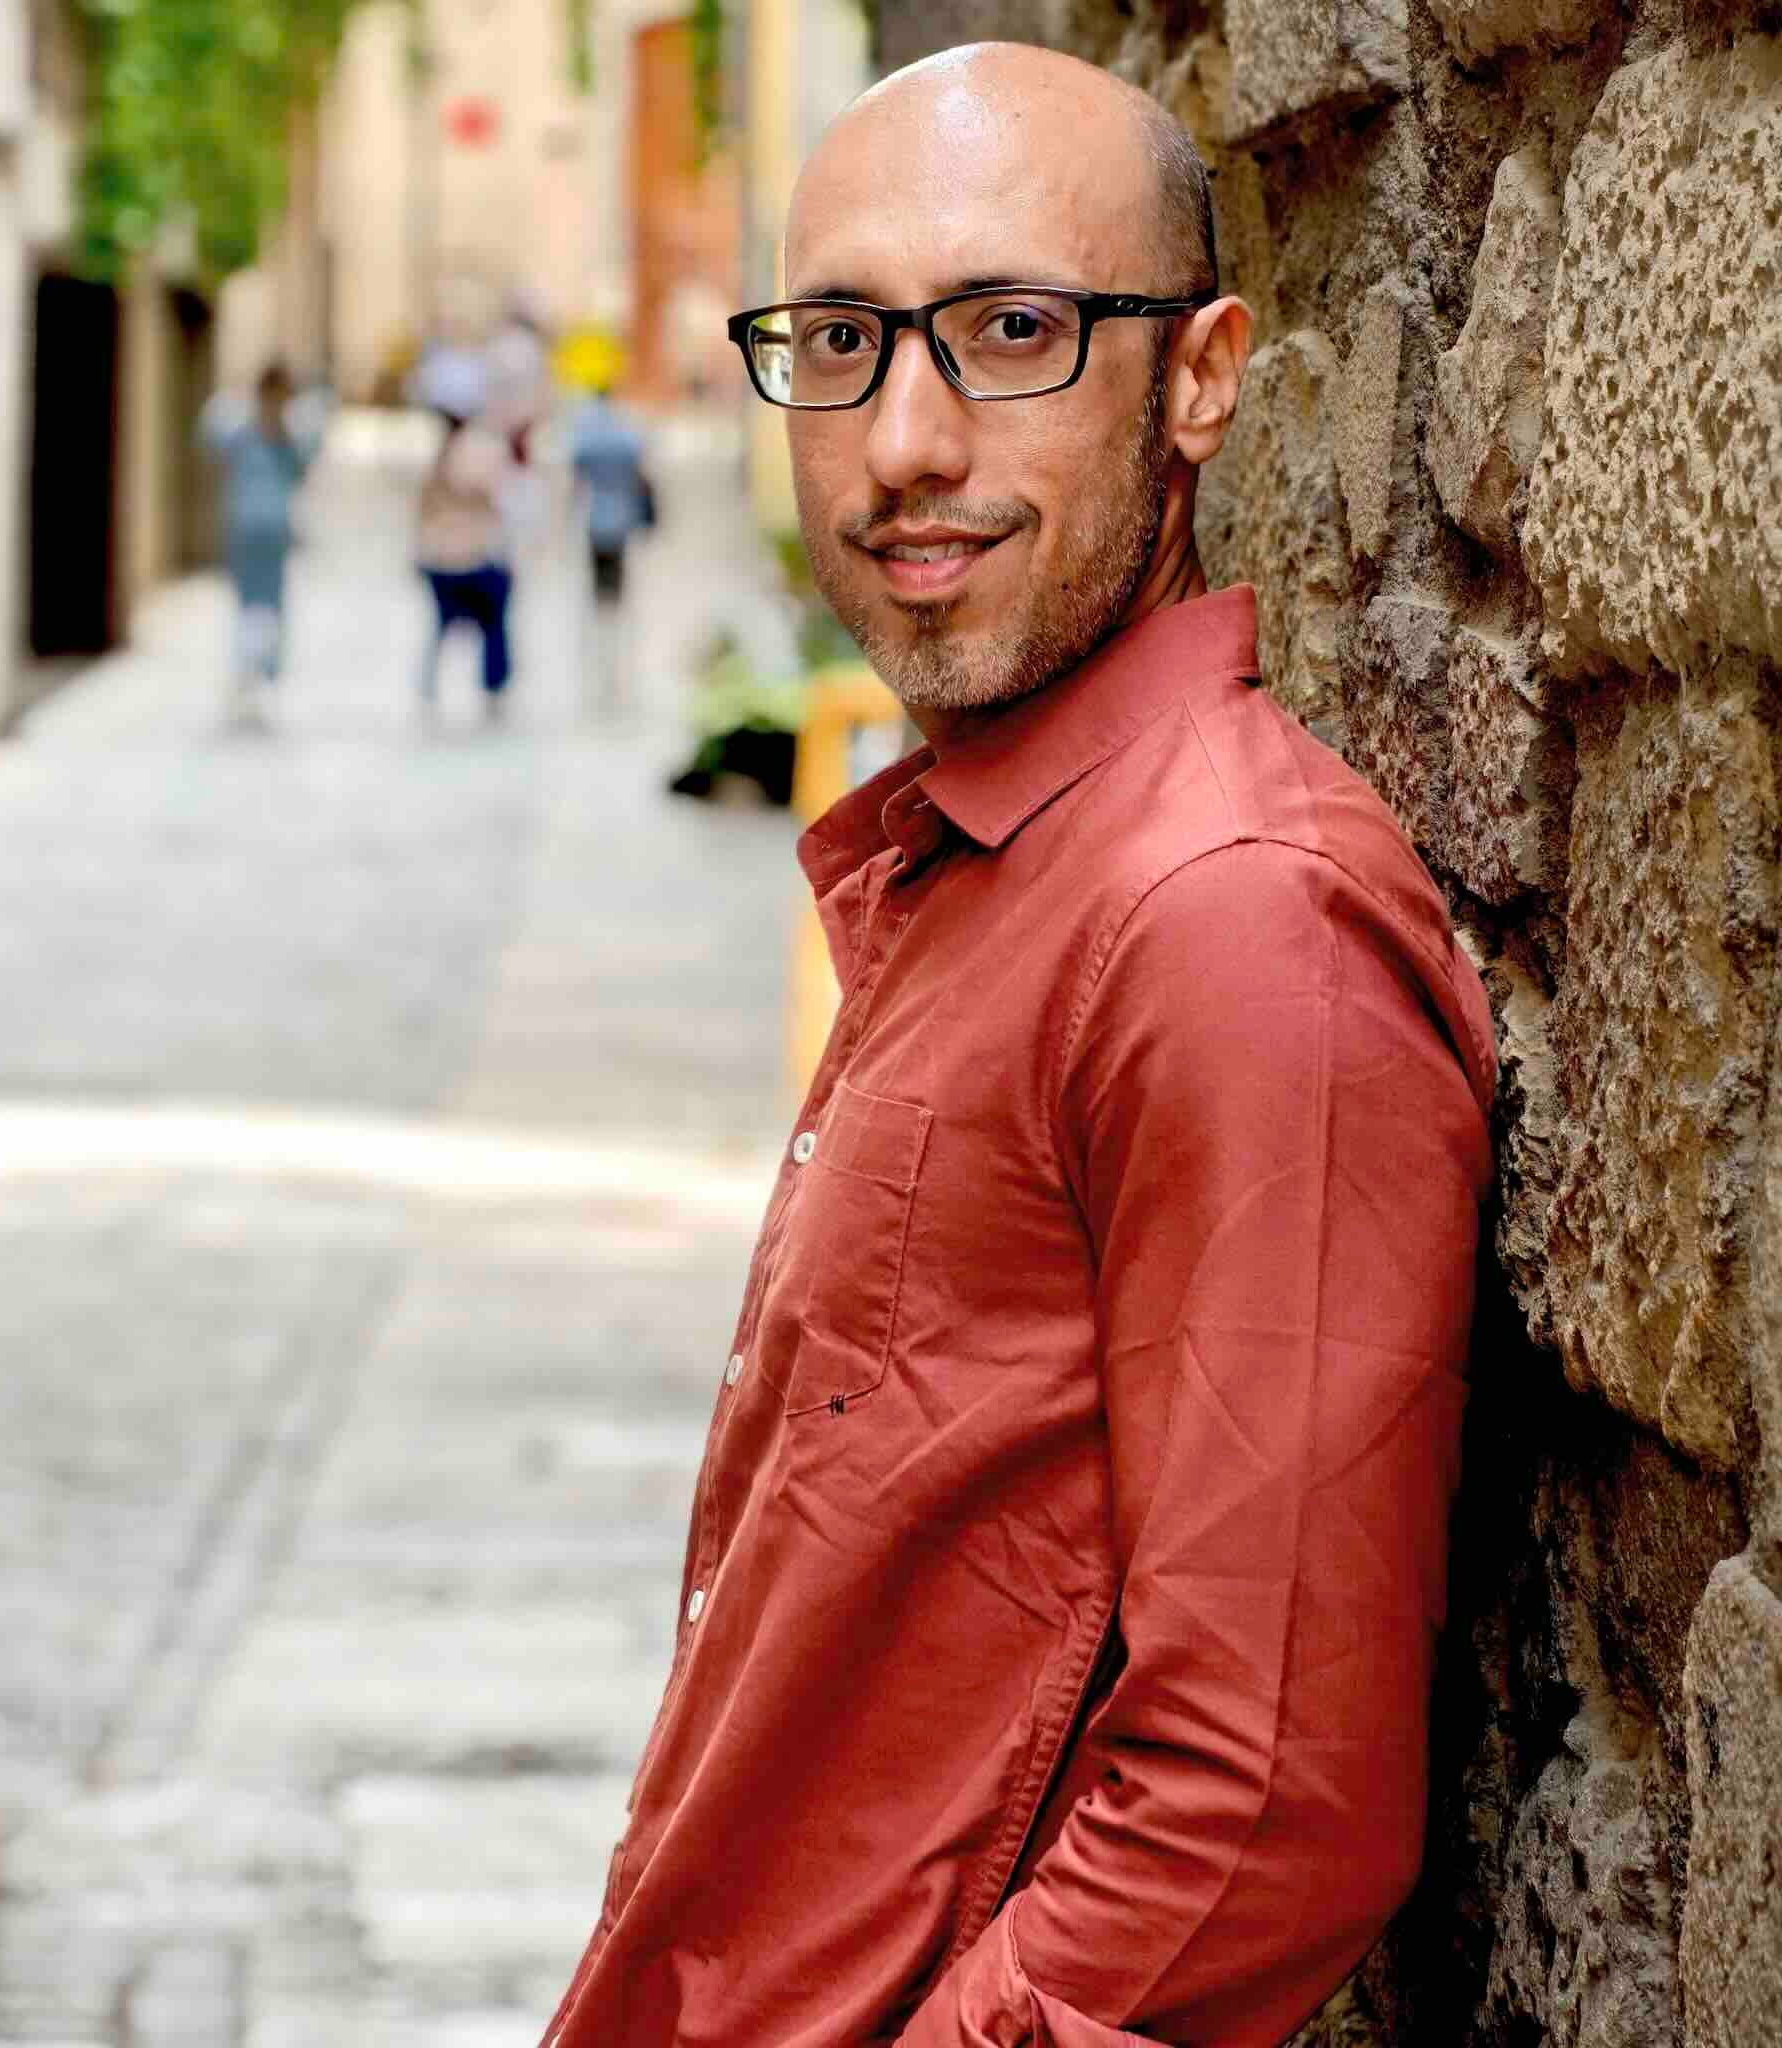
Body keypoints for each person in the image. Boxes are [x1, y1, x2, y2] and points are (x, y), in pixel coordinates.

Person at [543, 41, 1496, 2048]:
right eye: (841, 339)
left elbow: (1262, 1809)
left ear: (1202, 377)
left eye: (1008, 332)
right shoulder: (991, 859)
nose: (900, 440)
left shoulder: (1234, 917)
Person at [200, 363, 321, 723]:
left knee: (269, 606)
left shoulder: (289, 440)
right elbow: (210, 435)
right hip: (246, 532)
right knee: (250, 606)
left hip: (272, 533)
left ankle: (264, 676)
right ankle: (248, 675)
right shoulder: (242, 433)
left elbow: (304, 467)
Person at [415, 414, 514, 722]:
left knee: (445, 626)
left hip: (444, 563)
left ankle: (432, 686)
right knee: (493, 623)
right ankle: (493, 687)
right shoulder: (479, 459)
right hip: (473, 563)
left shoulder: (439, 467)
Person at [568, 381, 653, 605]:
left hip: (597, 509)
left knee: (599, 562)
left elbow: (577, 469)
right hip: (620, 507)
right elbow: (638, 467)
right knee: (616, 560)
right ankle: (613, 598)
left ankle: (602, 599)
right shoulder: (624, 434)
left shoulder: (589, 436)